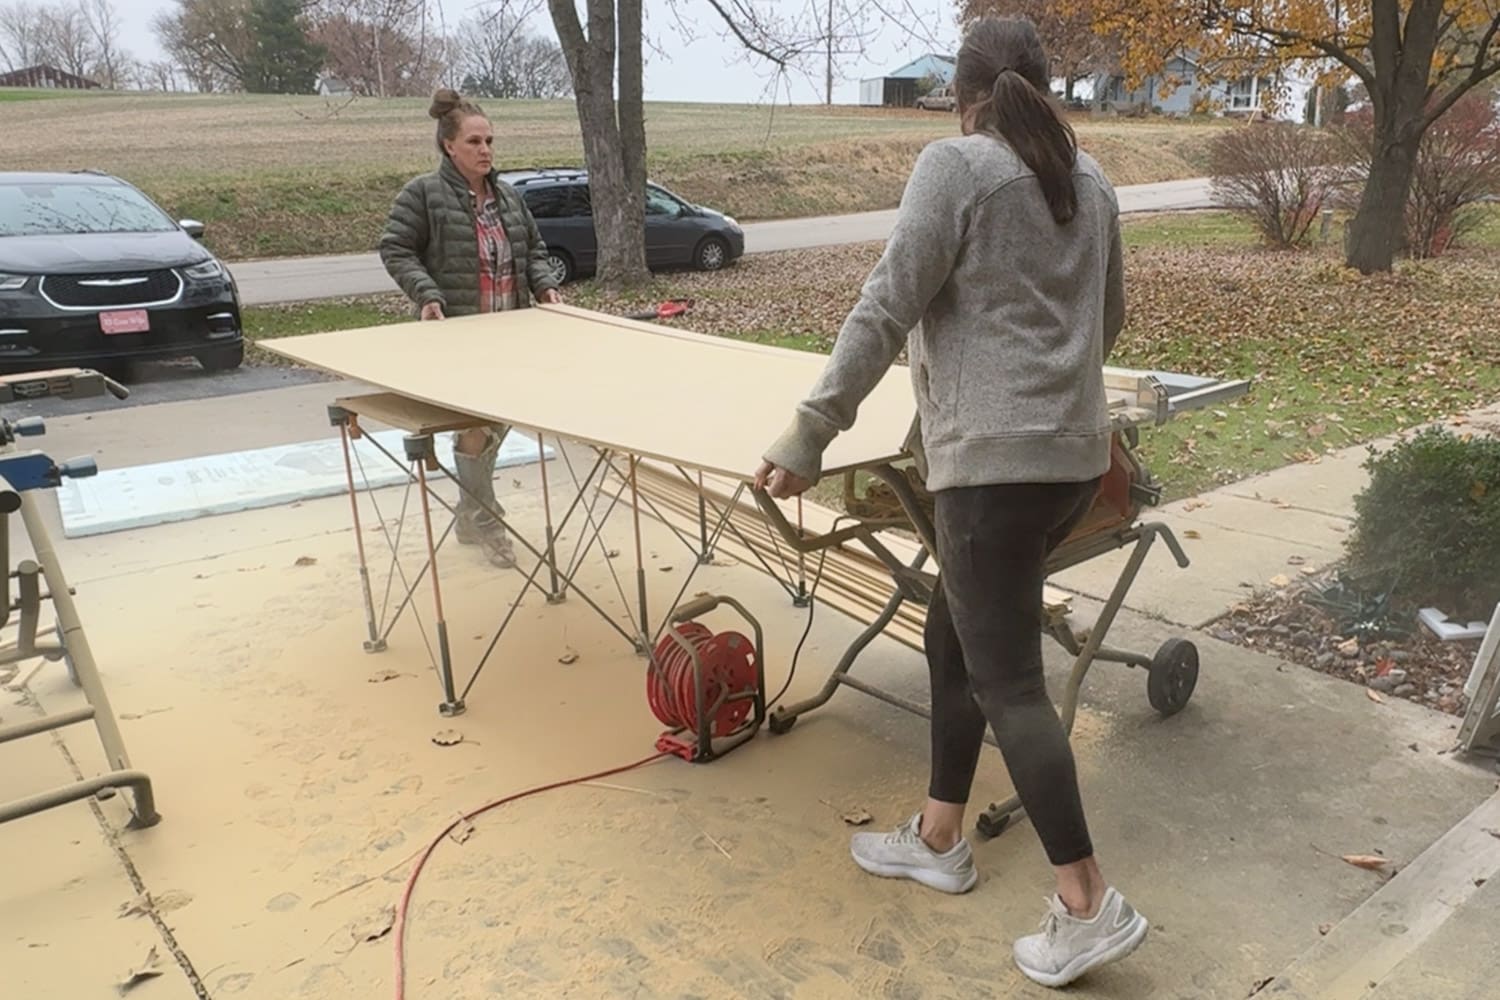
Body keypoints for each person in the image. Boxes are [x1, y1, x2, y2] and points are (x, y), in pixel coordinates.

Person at [754, 16, 1144, 990]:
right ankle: (938, 833)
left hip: (993, 476)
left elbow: (887, 304)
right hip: (1067, 466)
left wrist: (809, 433)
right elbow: (1110, 320)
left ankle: (1088, 900)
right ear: (1045, 88)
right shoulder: (1089, 182)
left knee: (1009, 681)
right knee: (951, 630)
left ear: (961, 96)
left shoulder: (956, 168)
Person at [379, 87, 563, 569]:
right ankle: (487, 522)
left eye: (490, 141)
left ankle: (468, 515)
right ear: (449, 146)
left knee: (493, 430)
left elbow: (535, 253)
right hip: (459, 337)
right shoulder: (423, 193)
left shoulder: (507, 196)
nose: (485, 150)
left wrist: (544, 287)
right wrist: (427, 293)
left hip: (511, 336)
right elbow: (396, 249)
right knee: (474, 431)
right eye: (475, 141)